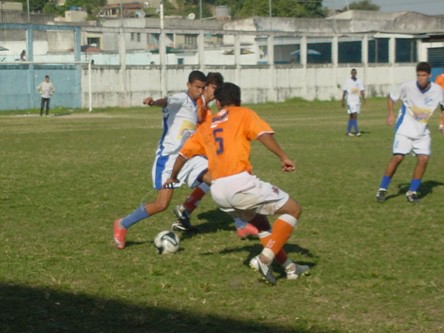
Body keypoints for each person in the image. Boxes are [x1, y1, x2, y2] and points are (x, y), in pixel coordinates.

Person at [164, 82, 309, 285]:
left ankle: (290, 268)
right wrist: (283, 156)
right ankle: (264, 259)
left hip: (218, 191)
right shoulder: (243, 113)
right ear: (238, 100)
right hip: (239, 183)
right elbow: (263, 135)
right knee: (293, 210)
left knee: (261, 224)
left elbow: (182, 154)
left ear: (219, 102)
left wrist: (173, 176)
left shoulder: (207, 126)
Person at [113, 70, 208, 250]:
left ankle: (243, 223)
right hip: (169, 159)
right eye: (197, 87)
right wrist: (154, 102)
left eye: (202, 88)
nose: (200, 91)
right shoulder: (181, 98)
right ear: (188, 85)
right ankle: (122, 224)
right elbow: (167, 101)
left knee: (215, 176)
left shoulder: (198, 103)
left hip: (187, 159)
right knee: (161, 204)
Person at [376, 62, 444, 203]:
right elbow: (391, 97)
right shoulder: (407, 86)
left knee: (424, 159)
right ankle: (382, 189)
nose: (421, 78)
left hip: (422, 131)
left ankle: (412, 192)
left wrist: (442, 123)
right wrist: (390, 114)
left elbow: (443, 106)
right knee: (398, 158)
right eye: (418, 75)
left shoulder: (438, 90)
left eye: (424, 75)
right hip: (404, 129)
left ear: (429, 76)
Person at [342, 68, 365, 137]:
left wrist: (364, 98)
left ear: (356, 73)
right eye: (352, 73)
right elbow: (344, 91)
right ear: (351, 73)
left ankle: (348, 131)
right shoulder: (347, 81)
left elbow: (361, 90)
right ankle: (357, 131)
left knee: (352, 117)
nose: (353, 74)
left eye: (355, 73)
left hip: (357, 101)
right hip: (350, 101)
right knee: (354, 115)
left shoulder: (359, 81)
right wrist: (342, 100)